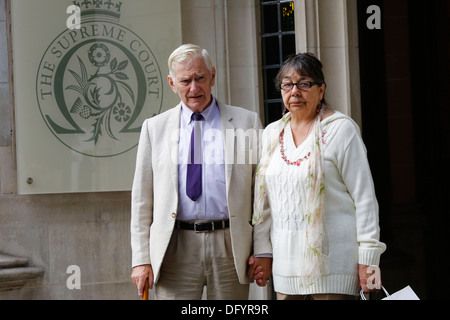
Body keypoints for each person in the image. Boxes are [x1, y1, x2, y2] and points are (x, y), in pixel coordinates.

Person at [130, 44, 263, 299]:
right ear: (172, 83)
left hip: (230, 245)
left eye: (201, 78)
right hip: (174, 247)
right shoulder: (154, 129)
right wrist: (140, 259)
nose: (194, 88)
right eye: (185, 80)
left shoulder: (246, 123)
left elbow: (260, 195)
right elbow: (141, 201)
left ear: (213, 75)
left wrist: (262, 249)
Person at [251, 53, 387, 300]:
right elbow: (264, 204)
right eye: (287, 84)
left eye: (305, 83)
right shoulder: (272, 134)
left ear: (321, 89)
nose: (295, 91)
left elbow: (365, 198)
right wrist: (263, 252)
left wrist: (369, 259)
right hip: (286, 269)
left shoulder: (341, 130)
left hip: (333, 266)